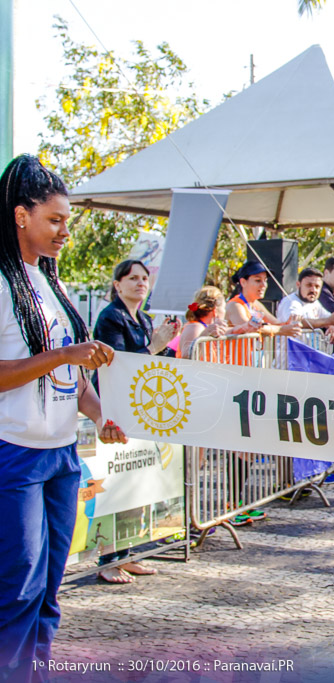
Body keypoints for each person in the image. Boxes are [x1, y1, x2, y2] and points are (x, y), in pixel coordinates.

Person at [0, 155, 128, 679]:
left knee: (49, 586)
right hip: (14, 454)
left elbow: (70, 379)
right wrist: (64, 355)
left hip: (60, 457)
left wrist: (100, 415)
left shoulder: (51, 283)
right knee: (20, 587)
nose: (64, 232)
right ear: (19, 216)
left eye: (67, 221)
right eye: (54, 220)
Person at [91, 259, 181, 583]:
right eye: (132, 278)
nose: (140, 283)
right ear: (117, 285)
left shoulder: (143, 318)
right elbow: (118, 365)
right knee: (116, 487)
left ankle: (129, 553)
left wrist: (170, 344)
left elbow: (155, 359)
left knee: (136, 486)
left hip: (141, 410)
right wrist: (155, 345)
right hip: (115, 411)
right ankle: (108, 560)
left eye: (144, 278)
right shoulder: (110, 317)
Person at [176, 286, 259, 359]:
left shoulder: (208, 328)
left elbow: (232, 331)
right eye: (224, 307)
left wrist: (246, 326)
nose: (225, 311)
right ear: (215, 310)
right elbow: (186, 356)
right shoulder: (195, 327)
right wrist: (206, 333)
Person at [225, 261, 302, 338]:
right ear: (243, 282)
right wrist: (281, 330)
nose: (264, 285)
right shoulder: (235, 305)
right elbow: (251, 328)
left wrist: (289, 323)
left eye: (265, 280)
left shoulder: (256, 304)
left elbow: (277, 324)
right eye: (258, 280)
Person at [277, 267, 334, 344]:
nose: (313, 290)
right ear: (298, 285)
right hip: (291, 354)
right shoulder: (291, 302)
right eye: (309, 285)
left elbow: (329, 318)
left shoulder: (314, 303)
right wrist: (328, 321)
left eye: (317, 286)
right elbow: (296, 322)